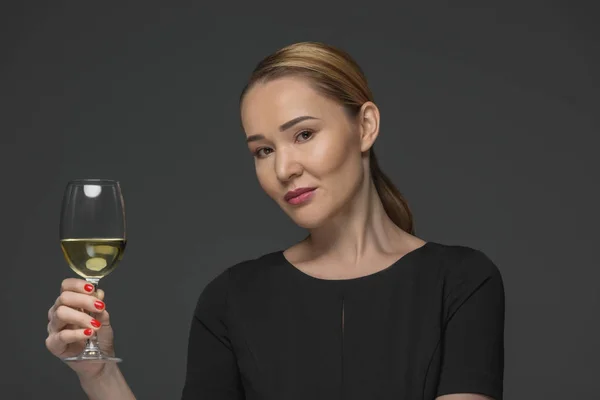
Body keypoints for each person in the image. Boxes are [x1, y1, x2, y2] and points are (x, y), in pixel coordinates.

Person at [46, 41, 505, 400]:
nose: (283, 168)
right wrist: (100, 372)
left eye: (303, 134)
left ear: (365, 126)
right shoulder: (230, 299)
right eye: (263, 150)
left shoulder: (463, 281)